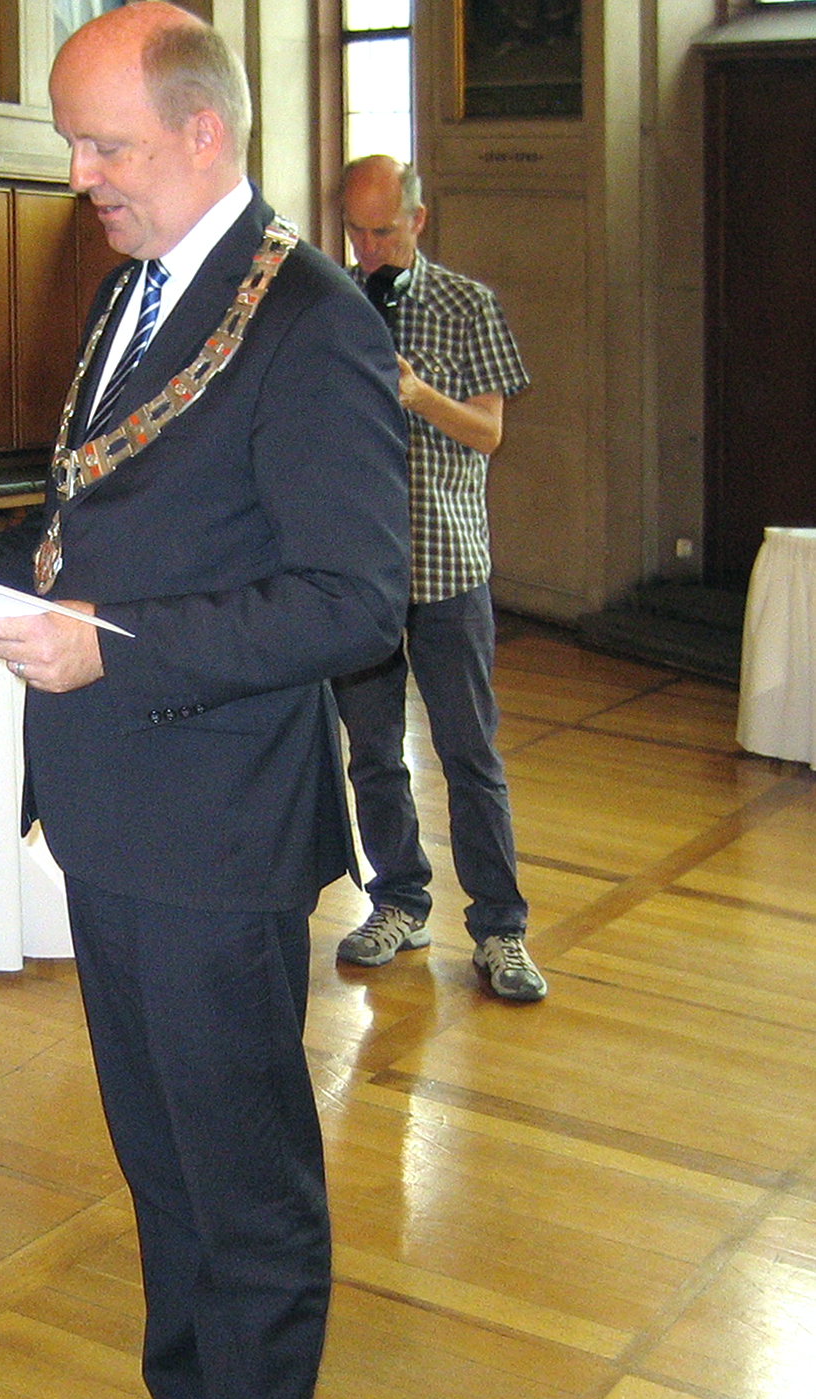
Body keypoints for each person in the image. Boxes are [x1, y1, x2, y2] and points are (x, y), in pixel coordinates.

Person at [0, 5, 407, 1399]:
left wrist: (114, 638)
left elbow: (350, 597)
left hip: (220, 822)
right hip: (112, 806)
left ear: (202, 135)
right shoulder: (137, 290)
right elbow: (94, 513)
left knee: (244, 1189)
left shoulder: (307, 322)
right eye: (71, 141)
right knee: (164, 1168)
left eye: (101, 144)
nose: (78, 174)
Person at [333, 155, 543, 1001]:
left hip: (449, 567)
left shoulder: (469, 305)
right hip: (359, 575)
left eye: (383, 229)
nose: (369, 246)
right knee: (374, 756)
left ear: (420, 220)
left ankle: (500, 929)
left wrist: (418, 395)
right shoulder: (333, 303)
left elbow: (489, 434)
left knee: (469, 755)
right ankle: (399, 901)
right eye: (354, 229)